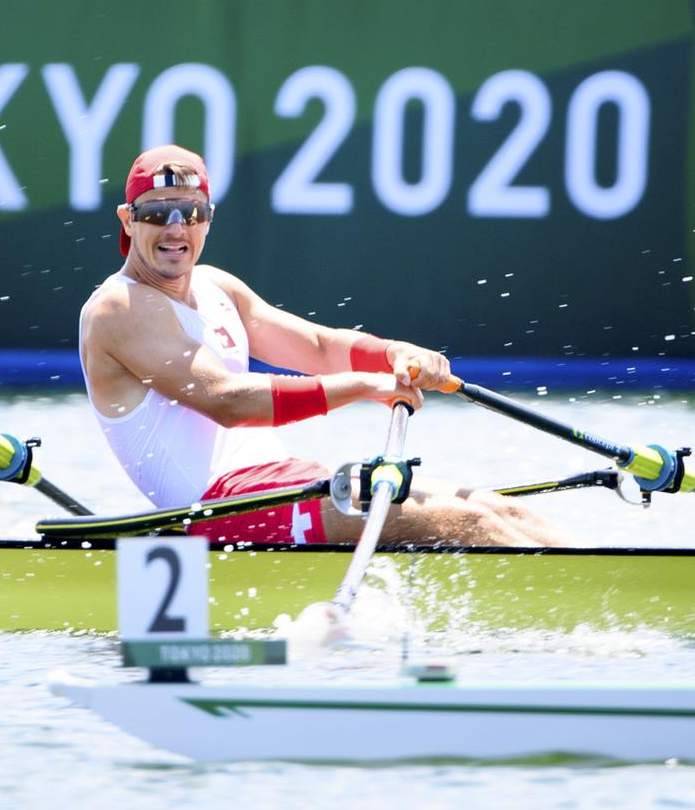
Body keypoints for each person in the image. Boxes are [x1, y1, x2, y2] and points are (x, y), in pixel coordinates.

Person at [78, 144, 570, 546]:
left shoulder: (215, 286)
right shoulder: (118, 308)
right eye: (158, 213)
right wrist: (362, 385)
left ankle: (605, 592)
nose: (175, 228)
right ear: (127, 219)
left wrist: (396, 353)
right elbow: (227, 401)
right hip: (221, 509)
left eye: (190, 212)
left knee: (496, 508)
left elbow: (315, 345)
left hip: (282, 484)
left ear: (208, 218)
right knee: (472, 526)